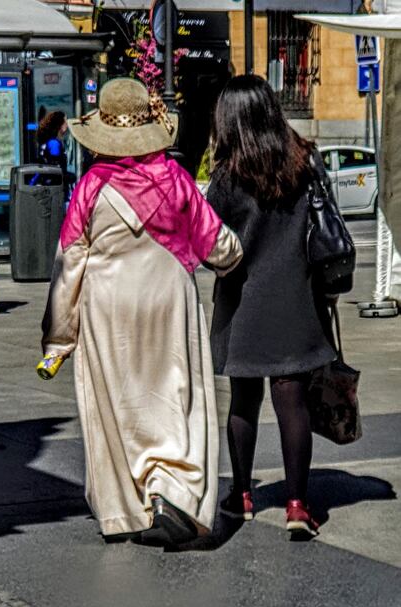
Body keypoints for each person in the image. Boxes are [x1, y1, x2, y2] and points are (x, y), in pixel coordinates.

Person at [40, 78, 242, 544]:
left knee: (116, 406)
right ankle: (170, 492)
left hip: (106, 310)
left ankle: (123, 510)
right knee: (174, 401)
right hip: (168, 303)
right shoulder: (175, 179)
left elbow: (69, 264)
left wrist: (59, 339)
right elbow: (220, 246)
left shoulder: (90, 187)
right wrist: (237, 261)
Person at [207, 74, 351, 537]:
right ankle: (296, 505)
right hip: (294, 300)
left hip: (242, 302)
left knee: (243, 401)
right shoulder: (303, 161)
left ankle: (243, 494)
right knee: (292, 403)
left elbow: (211, 242)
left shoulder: (227, 175)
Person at [37, 110, 74, 200]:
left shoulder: (49, 142)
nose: (67, 124)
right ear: (59, 125)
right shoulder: (54, 144)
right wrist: (69, 177)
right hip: (56, 191)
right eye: (65, 121)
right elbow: (55, 167)